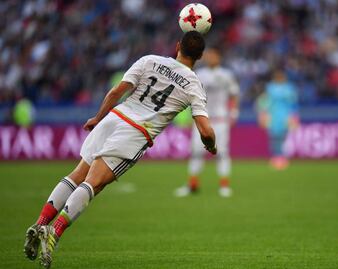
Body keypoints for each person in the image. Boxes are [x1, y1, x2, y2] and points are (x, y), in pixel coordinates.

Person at [23, 31, 216, 269]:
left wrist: (98, 117)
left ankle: (39, 222)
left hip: (114, 118)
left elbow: (116, 92)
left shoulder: (149, 60)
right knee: (94, 183)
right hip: (135, 133)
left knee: (78, 173)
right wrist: (211, 145)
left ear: (177, 45)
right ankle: (54, 232)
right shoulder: (194, 84)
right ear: (200, 56)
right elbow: (205, 131)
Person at [174, 47, 239, 198]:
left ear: (219, 57)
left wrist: (234, 113)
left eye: (213, 55)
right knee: (196, 152)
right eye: (208, 55)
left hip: (221, 120)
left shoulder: (227, 75)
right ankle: (192, 185)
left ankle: (224, 186)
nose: (210, 58)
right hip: (203, 119)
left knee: (222, 152)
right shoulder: (199, 75)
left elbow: (234, 94)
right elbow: (191, 96)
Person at [257, 69, 299, 170]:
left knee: (282, 137)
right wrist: (263, 114)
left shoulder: (288, 88)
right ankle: (276, 157)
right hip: (274, 115)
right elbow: (264, 102)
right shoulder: (271, 88)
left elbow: (293, 103)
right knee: (274, 137)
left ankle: (281, 157)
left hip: (284, 116)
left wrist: (294, 116)